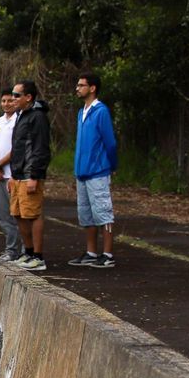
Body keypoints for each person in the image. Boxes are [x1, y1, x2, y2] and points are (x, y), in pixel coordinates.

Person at [67, 72, 119, 268]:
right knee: (86, 213)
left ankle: (107, 253)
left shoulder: (101, 111)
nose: (77, 88)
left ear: (92, 88)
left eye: (81, 85)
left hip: (98, 170)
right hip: (83, 171)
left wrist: (111, 164)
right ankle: (91, 251)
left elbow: (110, 142)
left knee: (103, 212)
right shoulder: (82, 112)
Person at [9, 79, 52, 271]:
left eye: (17, 95)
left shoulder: (38, 117)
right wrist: (13, 173)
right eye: (13, 94)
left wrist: (35, 175)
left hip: (29, 174)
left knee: (33, 214)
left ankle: (38, 256)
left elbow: (40, 148)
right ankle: (27, 252)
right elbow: (17, 147)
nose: (13, 98)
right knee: (19, 214)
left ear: (29, 97)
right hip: (18, 174)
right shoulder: (21, 115)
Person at [0, 88, 23, 261]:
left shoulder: (19, 120)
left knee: (17, 214)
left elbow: (16, 148)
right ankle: (11, 249)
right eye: (3, 101)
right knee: (2, 215)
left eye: (10, 101)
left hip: (12, 174)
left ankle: (24, 250)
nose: (6, 104)